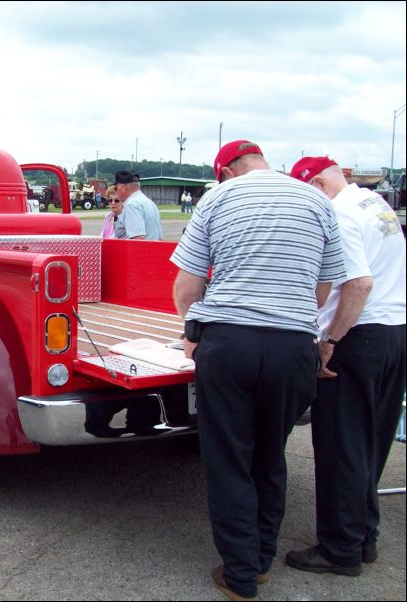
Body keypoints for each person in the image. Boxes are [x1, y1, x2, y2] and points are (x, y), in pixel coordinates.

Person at [170, 140, 346, 601]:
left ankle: (240, 575)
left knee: (229, 460)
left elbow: (188, 282)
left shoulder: (219, 198)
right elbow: (325, 289)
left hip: (229, 344)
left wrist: (192, 331)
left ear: (226, 172)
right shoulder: (316, 200)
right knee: (271, 454)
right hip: (293, 347)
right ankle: (263, 560)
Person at [284, 156, 406, 577]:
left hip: (358, 336)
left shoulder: (339, 213)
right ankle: (363, 536)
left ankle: (340, 548)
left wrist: (330, 339)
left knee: (340, 447)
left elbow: (358, 283)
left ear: (317, 183)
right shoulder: (375, 204)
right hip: (394, 332)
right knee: (371, 444)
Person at [112, 170, 162, 240]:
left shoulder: (131, 205)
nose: (116, 192)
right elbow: (159, 238)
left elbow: (137, 238)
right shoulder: (150, 203)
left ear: (122, 187)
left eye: (115, 188)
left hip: (140, 250)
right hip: (153, 249)